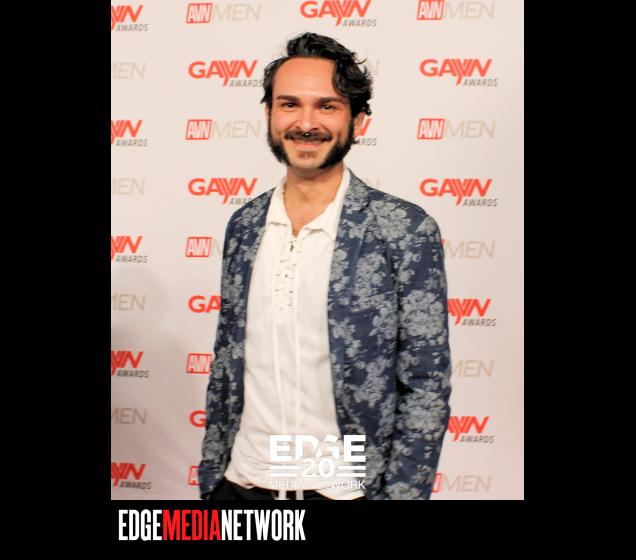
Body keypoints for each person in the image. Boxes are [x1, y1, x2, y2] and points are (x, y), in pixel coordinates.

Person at [199, 32, 451, 501]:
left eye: (327, 106)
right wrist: (212, 479)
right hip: (242, 483)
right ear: (269, 115)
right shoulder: (245, 225)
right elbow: (227, 362)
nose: (306, 123)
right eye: (289, 104)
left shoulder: (402, 229)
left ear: (358, 120)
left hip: (342, 488)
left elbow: (426, 383)